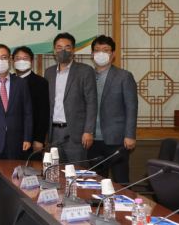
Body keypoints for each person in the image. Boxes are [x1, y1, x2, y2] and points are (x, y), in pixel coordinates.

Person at [87, 35, 138, 183]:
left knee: (121, 180)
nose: (101, 53)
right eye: (97, 50)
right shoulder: (86, 76)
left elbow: (131, 107)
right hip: (92, 139)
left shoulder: (124, 76)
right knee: (97, 181)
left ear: (113, 54)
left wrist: (130, 135)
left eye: (105, 50)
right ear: (92, 54)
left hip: (117, 138)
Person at [43, 32, 97, 164]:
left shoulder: (85, 70)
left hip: (76, 133)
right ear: (54, 51)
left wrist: (88, 131)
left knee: (77, 171)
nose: (63, 51)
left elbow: (91, 102)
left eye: (67, 47)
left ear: (73, 50)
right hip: (54, 132)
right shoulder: (49, 72)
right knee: (55, 170)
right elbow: (46, 103)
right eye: (59, 47)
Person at [12, 46, 50, 161]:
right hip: (11, 137)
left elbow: (43, 113)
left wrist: (39, 139)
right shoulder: (8, 81)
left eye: (25, 58)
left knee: (31, 169)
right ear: (12, 61)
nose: (21, 61)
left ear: (32, 61)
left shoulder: (41, 82)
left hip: (32, 139)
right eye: (18, 58)